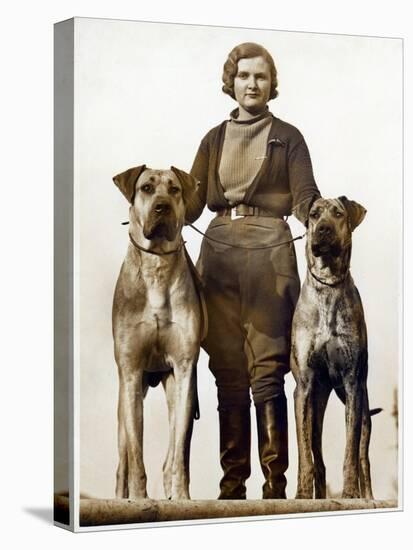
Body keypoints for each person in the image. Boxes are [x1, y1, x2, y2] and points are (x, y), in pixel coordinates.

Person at [186, 42, 321, 499]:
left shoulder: (290, 136)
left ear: (271, 84)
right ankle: (231, 489)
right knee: (226, 369)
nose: (252, 84)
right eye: (244, 75)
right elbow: (189, 205)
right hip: (219, 254)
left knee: (267, 369)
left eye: (261, 76)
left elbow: (305, 197)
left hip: (271, 257)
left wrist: (324, 220)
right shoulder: (212, 139)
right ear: (232, 81)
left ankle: (275, 490)